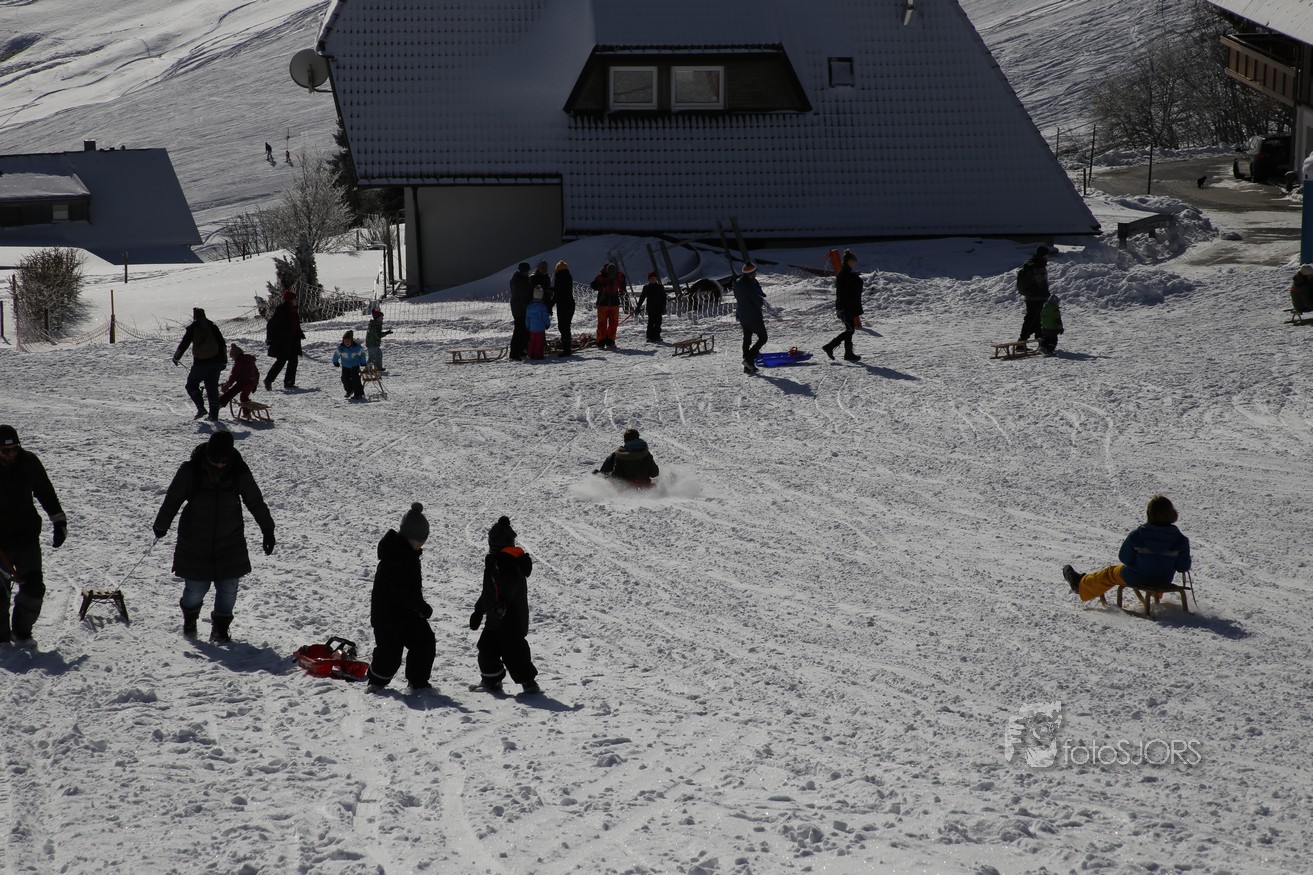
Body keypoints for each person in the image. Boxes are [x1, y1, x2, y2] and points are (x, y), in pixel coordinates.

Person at [153, 431, 275, 642]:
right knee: (195, 589)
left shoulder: (238, 470)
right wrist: (161, 525)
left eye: (223, 462)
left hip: (230, 540)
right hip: (195, 540)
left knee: (229, 588)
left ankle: (220, 629)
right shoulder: (190, 470)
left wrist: (267, 529)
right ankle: (190, 619)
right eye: (214, 461)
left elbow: (254, 499)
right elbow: (173, 499)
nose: (219, 465)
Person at [0, 425, 66, 647]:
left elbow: (45, 491)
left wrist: (59, 521)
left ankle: (22, 632)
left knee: (34, 588)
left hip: (26, 537)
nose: (11, 455)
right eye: (5, 451)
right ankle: (1, 638)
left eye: (15, 449)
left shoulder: (28, 462)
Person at [1063, 495, 1191, 604]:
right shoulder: (1181, 540)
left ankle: (1081, 585)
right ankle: (1155, 596)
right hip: (1164, 579)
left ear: (1149, 514)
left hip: (1136, 577)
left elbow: (1124, 558)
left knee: (1110, 573)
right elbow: (1183, 567)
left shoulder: (1137, 535)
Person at [366, 503, 436, 692]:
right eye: (420, 540)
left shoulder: (409, 554)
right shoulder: (394, 557)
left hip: (407, 613)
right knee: (389, 655)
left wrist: (417, 606)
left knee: (424, 640)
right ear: (409, 537)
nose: (422, 544)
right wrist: (421, 606)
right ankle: (376, 683)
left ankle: (418, 683)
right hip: (387, 616)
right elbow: (401, 591)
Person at [469, 516, 540, 695]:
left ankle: (529, 683)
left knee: (514, 652)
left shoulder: (508, 562)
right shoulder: (496, 560)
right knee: (487, 648)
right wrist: (479, 610)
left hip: (511, 618)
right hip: (496, 618)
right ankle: (491, 681)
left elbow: (510, 585)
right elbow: (489, 591)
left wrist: (502, 603)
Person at [173, 307, 227, 422]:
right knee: (212, 388)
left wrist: (176, 357)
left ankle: (201, 408)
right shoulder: (212, 326)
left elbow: (184, 343)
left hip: (200, 364)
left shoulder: (193, 327)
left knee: (191, 385)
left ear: (195, 316)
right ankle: (214, 416)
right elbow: (222, 343)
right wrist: (224, 361)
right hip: (216, 363)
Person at [822, 250, 864, 362]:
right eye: (853, 262)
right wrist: (856, 278)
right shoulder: (845, 274)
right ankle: (829, 346)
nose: (854, 264)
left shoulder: (846, 273)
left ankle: (848, 354)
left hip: (847, 307)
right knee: (850, 330)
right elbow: (847, 291)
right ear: (849, 261)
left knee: (850, 330)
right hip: (845, 308)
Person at [264, 289, 305, 390]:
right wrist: (269, 338)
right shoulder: (282, 310)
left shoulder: (293, 310)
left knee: (293, 361)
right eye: (294, 298)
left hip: (293, 340)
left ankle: (289, 382)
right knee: (281, 361)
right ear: (290, 300)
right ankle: (268, 380)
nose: (296, 300)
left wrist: (299, 333)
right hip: (282, 341)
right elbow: (271, 324)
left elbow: (295, 324)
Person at [733, 263, 768, 374]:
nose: (755, 274)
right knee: (763, 338)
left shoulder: (737, 283)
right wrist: (760, 298)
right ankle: (748, 360)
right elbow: (758, 301)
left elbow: (738, 297)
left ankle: (748, 366)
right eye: (754, 272)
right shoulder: (749, 286)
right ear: (751, 273)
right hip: (753, 316)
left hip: (743, 316)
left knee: (747, 339)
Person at [1016, 246, 1054, 343]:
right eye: (1046, 255)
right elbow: (1039, 283)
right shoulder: (1036, 265)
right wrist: (1044, 293)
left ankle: (1039, 336)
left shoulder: (1034, 263)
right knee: (1031, 318)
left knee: (1036, 318)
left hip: (1034, 296)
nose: (1047, 257)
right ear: (1042, 255)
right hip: (1036, 296)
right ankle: (1022, 341)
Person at [218, 344, 260, 416]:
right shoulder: (250, 361)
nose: (233, 359)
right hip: (251, 382)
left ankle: (219, 404)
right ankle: (246, 413)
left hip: (243, 382)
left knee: (231, 392)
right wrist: (255, 383)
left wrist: (227, 385)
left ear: (235, 355)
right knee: (244, 397)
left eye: (233, 357)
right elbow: (257, 373)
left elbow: (233, 375)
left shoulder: (239, 362)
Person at [591, 263, 625, 349]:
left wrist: (622, 290)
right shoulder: (601, 276)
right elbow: (593, 285)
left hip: (614, 303)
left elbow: (623, 284)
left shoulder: (619, 276)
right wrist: (601, 286)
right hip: (603, 303)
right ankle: (601, 341)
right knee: (602, 323)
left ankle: (610, 341)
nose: (611, 275)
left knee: (613, 323)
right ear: (606, 271)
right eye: (610, 274)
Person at [333, 330, 368, 400]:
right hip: (345, 366)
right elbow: (336, 355)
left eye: (348, 341)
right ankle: (349, 390)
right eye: (345, 341)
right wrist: (335, 362)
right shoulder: (341, 348)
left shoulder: (356, 348)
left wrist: (363, 362)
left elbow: (362, 355)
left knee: (355, 379)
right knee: (344, 378)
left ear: (351, 341)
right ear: (343, 341)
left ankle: (358, 394)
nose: (347, 343)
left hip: (355, 365)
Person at [508, 262, 533, 360]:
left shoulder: (517, 279)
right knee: (519, 331)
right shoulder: (521, 281)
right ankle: (514, 353)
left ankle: (520, 350)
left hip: (518, 308)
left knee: (522, 330)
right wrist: (527, 309)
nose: (528, 272)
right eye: (526, 270)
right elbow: (523, 297)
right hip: (520, 309)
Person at [635, 272, 667, 343]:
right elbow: (642, 297)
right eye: (651, 278)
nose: (653, 279)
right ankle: (649, 336)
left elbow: (663, 298)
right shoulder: (646, 287)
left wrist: (664, 307)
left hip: (659, 308)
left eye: (654, 278)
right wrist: (638, 306)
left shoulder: (660, 287)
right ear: (649, 279)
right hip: (650, 308)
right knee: (651, 322)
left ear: (656, 279)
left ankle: (657, 336)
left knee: (658, 322)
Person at [553, 260, 576, 356]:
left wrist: (550, 304)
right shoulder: (568, 276)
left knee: (563, 327)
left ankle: (566, 349)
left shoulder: (559, 277)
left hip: (563, 305)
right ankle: (567, 346)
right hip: (570, 303)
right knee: (566, 326)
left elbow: (558, 293)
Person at [526, 288, 551, 360]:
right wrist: (547, 324)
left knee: (532, 341)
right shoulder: (542, 307)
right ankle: (538, 355)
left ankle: (530, 354)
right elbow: (545, 317)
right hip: (540, 327)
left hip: (532, 328)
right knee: (539, 341)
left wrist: (527, 326)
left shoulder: (529, 306)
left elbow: (527, 318)